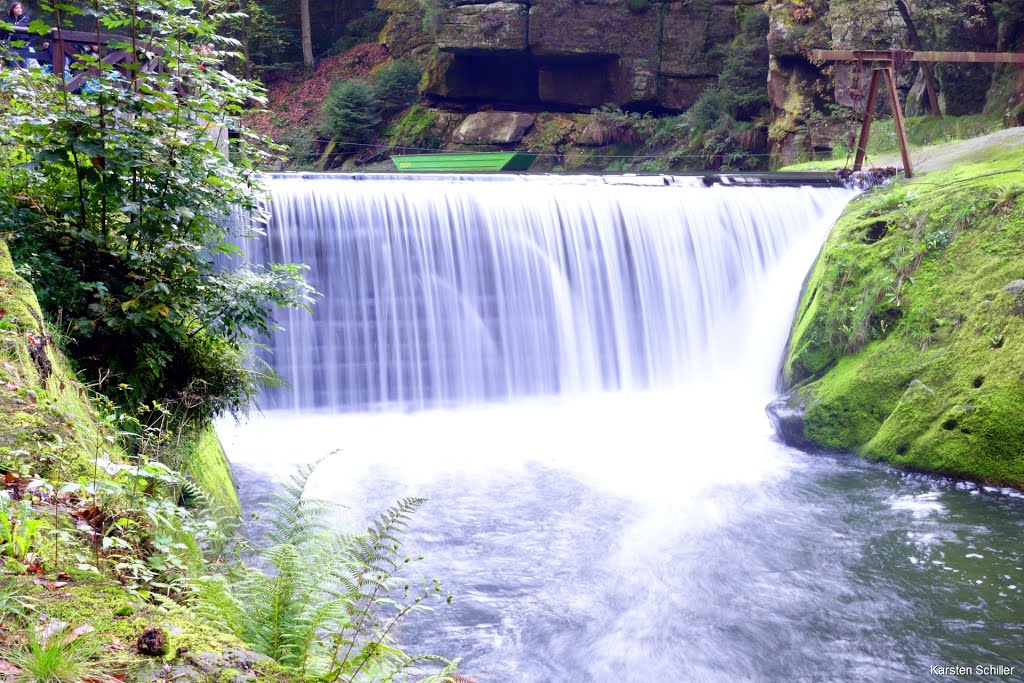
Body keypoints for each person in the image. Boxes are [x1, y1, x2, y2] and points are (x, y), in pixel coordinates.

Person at [2, 2, 34, 67]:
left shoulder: (26, 20)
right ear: (12, 10)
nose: (19, 9)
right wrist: (3, 43)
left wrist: (29, 42)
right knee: (12, 65)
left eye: (20, 8)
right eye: (16, 8)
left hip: (24, 45)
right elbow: (2, 33)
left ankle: (25, 76)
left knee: (24, 65)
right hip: (12, 45)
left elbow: (34, 33)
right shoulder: (7, 20)